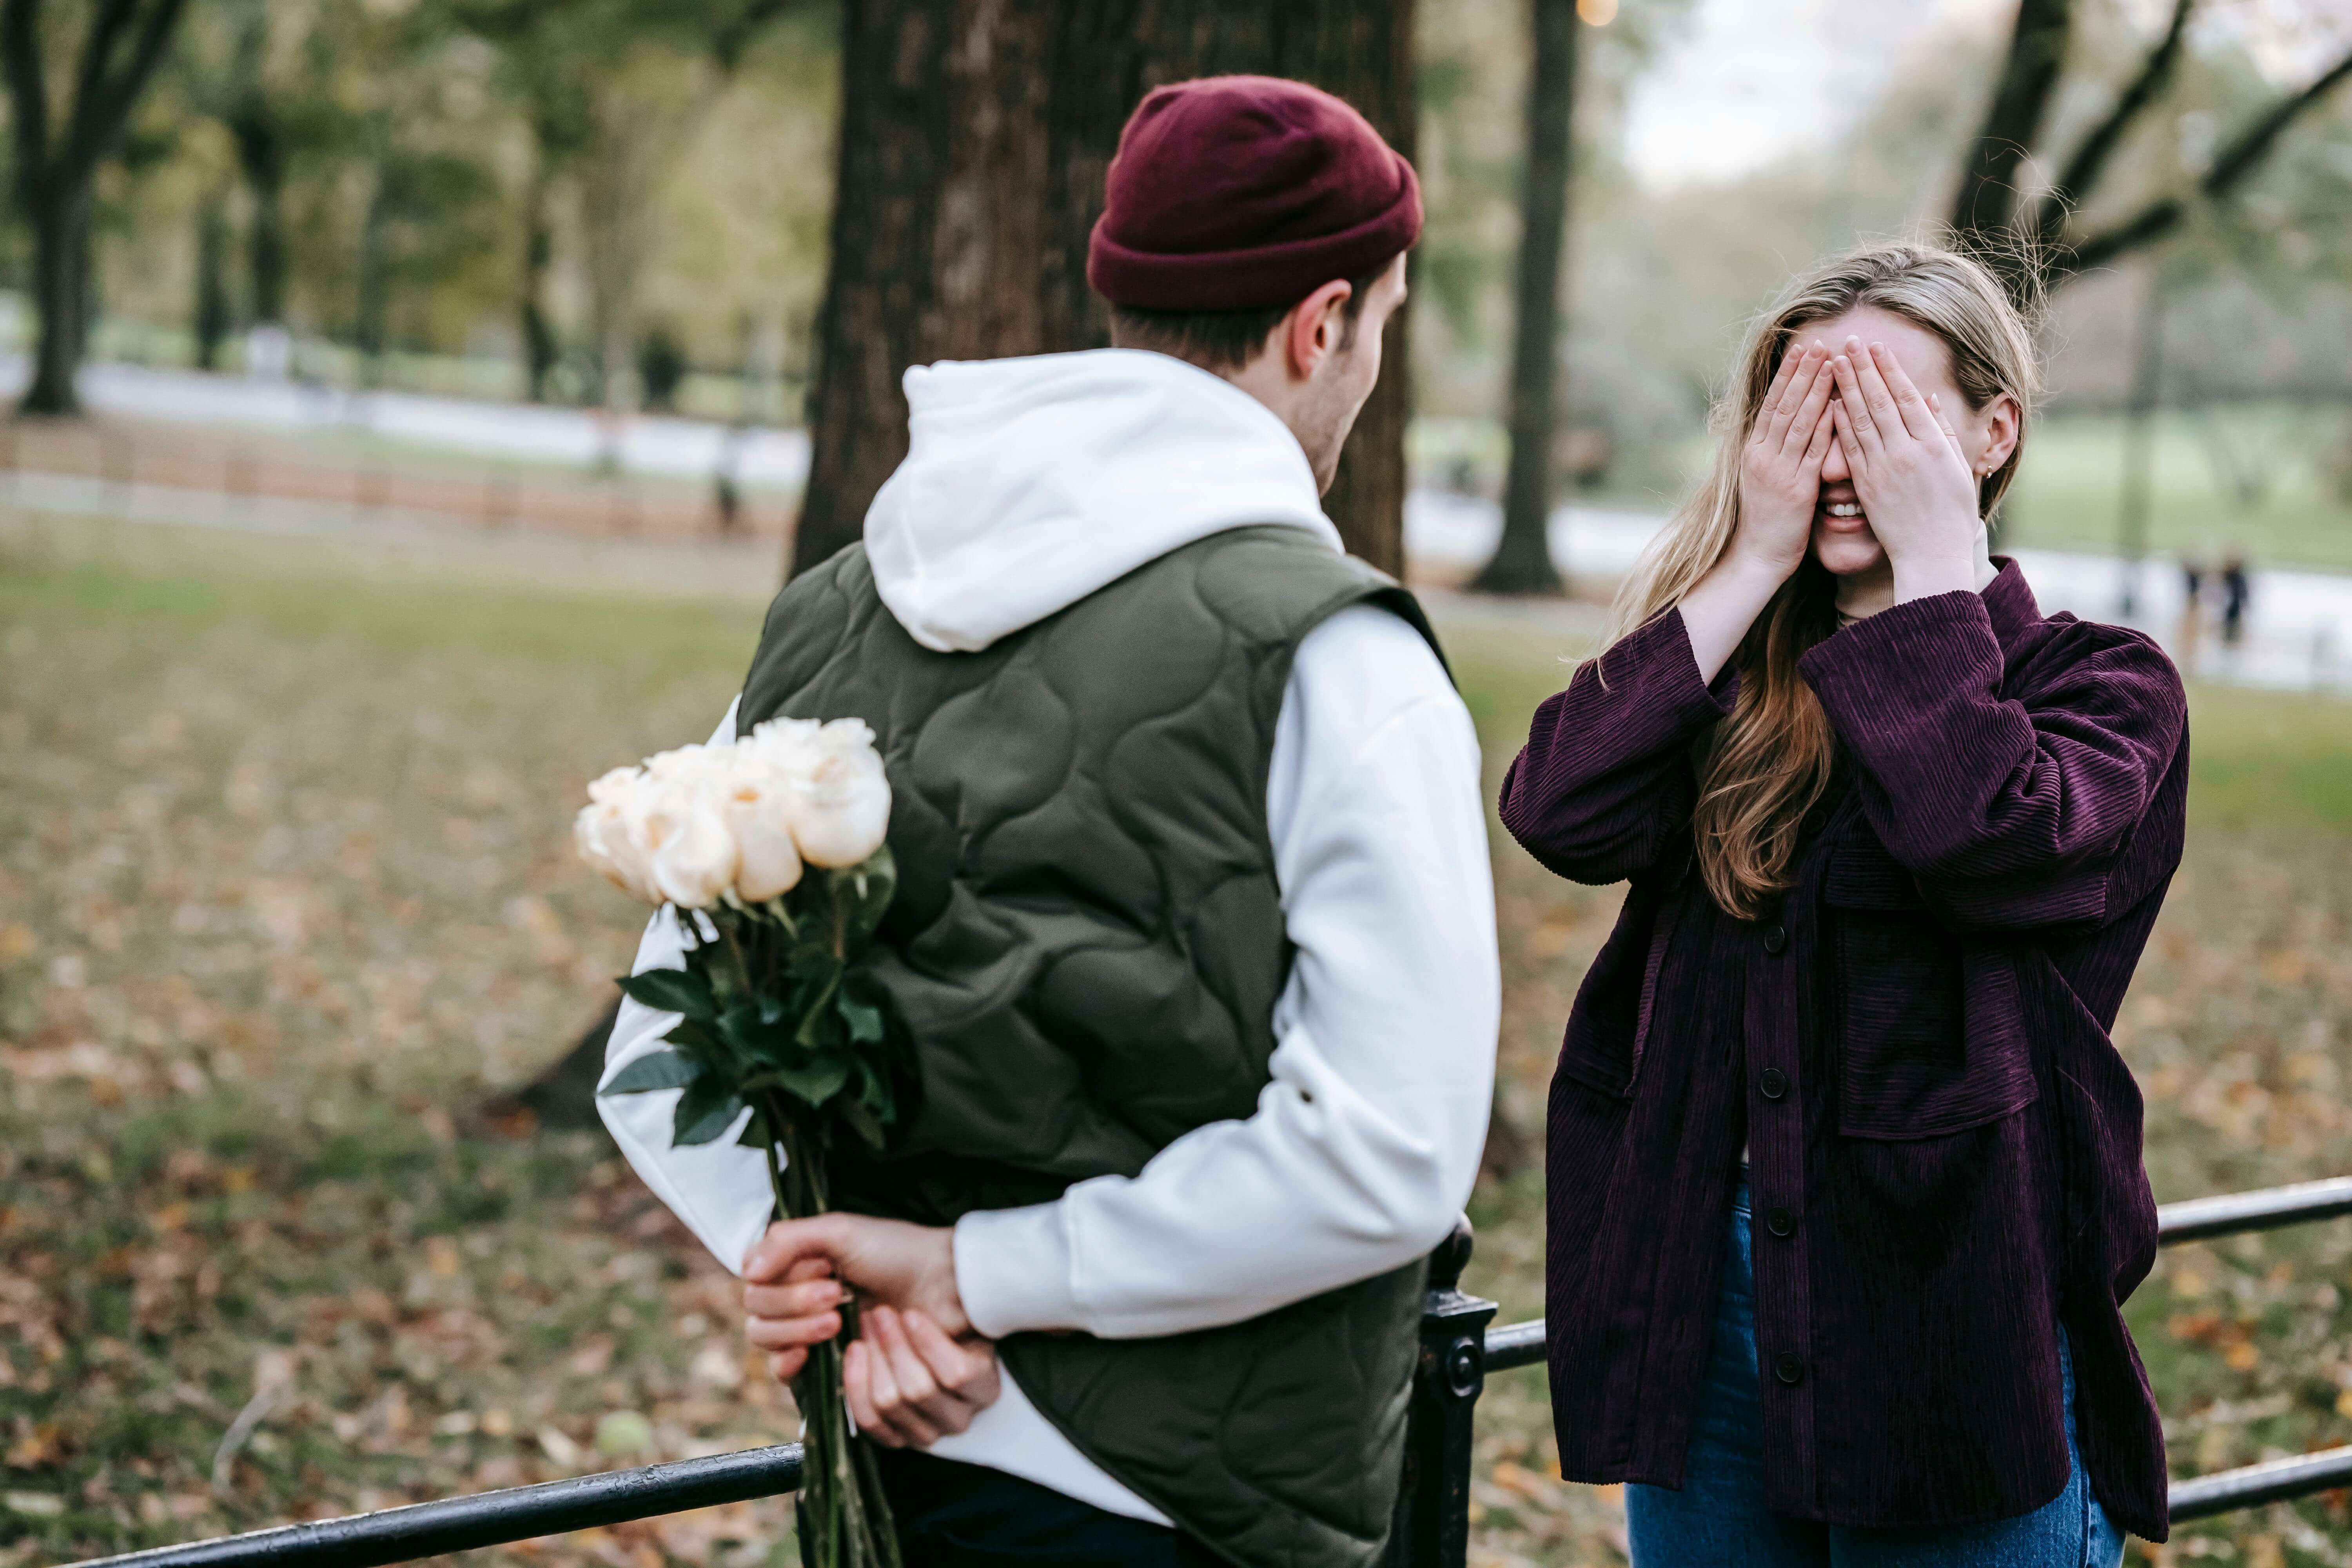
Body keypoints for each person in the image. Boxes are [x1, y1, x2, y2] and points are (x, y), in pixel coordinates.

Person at [597, 76, 1499, 1568]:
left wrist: (842, 1283)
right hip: (1190, 1505)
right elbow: (1387, 1154)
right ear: (1321, 323)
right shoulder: (1339, 653)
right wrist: (960, 1276)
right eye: (1383, 329)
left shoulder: (842, 600)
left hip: (899, 1452)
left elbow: (661, 1050)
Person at [1497, 242, 2186, 1566]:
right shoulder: (1736, 684)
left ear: (1994, 434)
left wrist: (1933, 578)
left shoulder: (2103, 689)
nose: (1838, 457)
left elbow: (1989, 840)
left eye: (1884, 417)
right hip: (1713, 1309)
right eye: (1806, 418)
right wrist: (1750, 561)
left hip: (1955, 1324)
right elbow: (1554, 809)